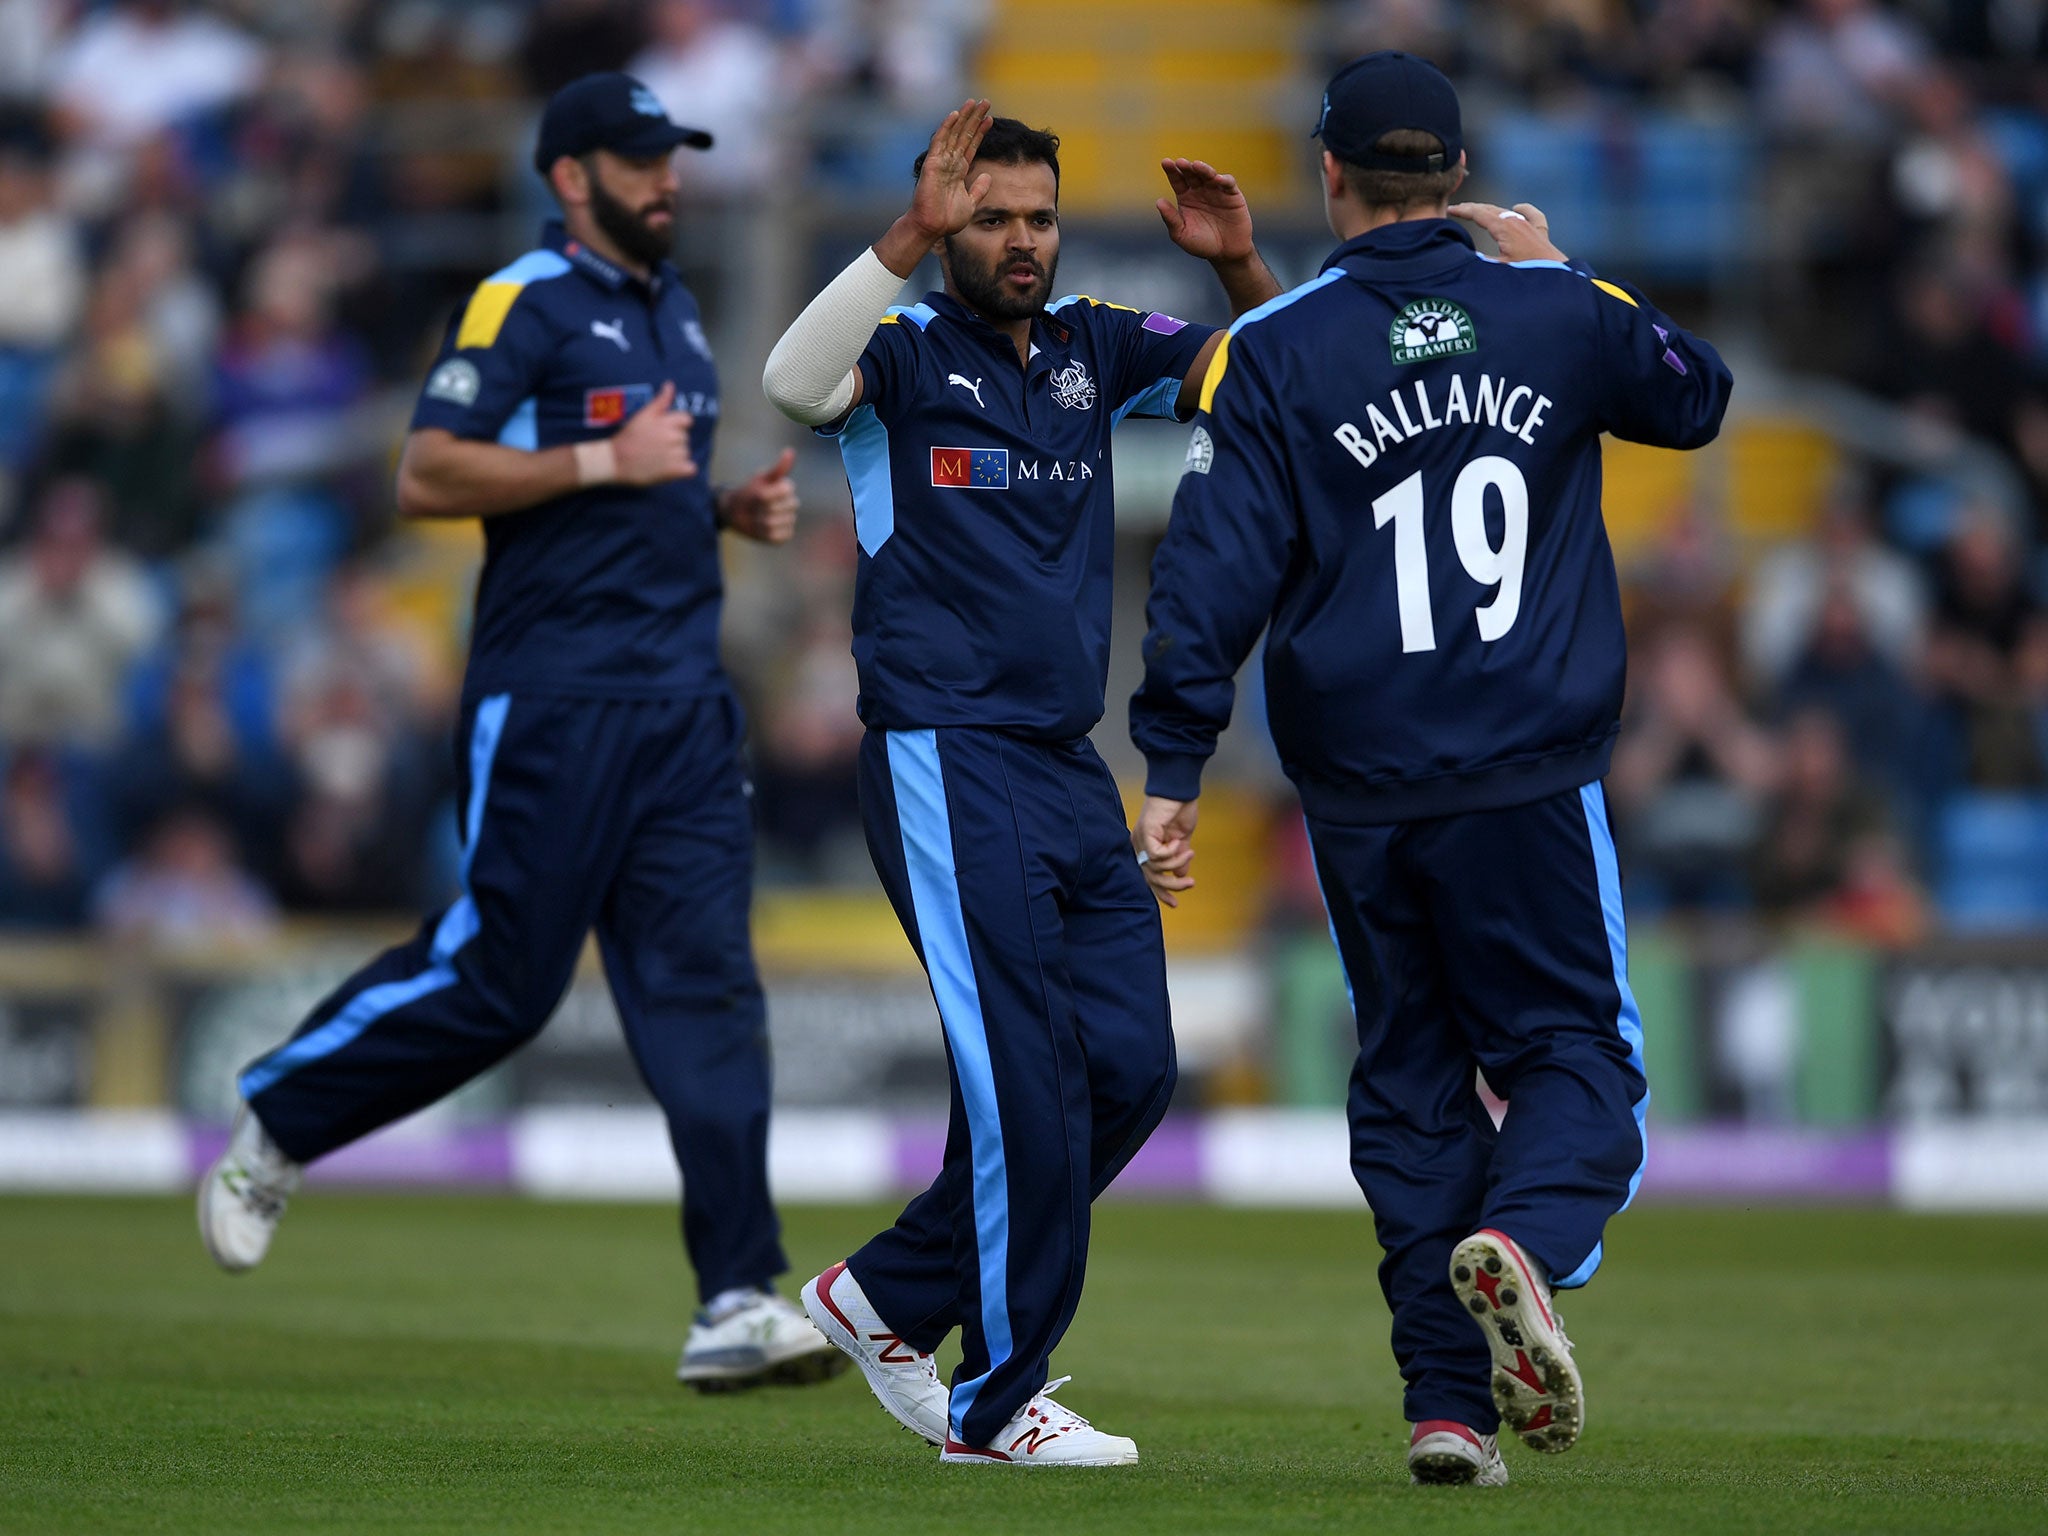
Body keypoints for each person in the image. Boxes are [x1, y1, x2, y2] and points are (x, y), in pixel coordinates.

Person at [1126, 52, 1733, 1486]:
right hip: (1528, 777)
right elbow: (1697, 400)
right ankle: (1522, 1244)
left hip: (1360, 799)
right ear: (1457, 179)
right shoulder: (1553, 310)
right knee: (1579, 1055)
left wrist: (1171, 760)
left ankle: (1447, 1409)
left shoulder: (1276, 344)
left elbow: (1213, 566)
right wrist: (1561, 266)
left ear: (1328, 173)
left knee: (1409, 1086)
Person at [197, 73, 836, 1395]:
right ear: (570, 176)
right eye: (641, 161)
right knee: (505, 981)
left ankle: (734, 1295)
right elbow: (427, 470)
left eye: (674, 160)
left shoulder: (677, 311)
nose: (668, 181)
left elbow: (638, 482)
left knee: (709, 992)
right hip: (550, 698)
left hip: (681, 706)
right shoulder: (520, 300)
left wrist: (719, 508)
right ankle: (282, 1112)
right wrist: (609, 464)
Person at [763, 102, 1280, 1465]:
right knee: (1029, 1088)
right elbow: (788, 383)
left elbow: (1286, 375)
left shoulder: (1093, 349)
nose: (1021, 242)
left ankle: (885, 1294)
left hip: (1065, 766)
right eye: (990, 219)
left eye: (1037, 218)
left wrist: (1237, 263)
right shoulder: (901, 357)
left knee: (1130, 1072)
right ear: (948, 227)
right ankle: (995, 1404)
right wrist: (903, 235)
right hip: (942, 755)